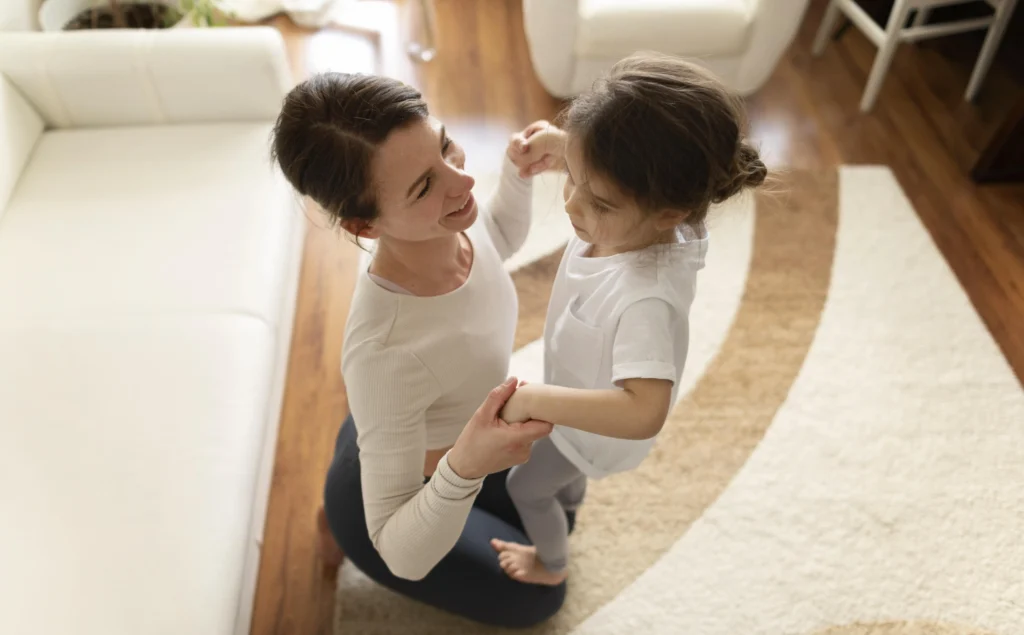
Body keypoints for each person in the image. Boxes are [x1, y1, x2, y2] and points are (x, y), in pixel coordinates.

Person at [269, 72, 571, 628]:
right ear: (364, 224)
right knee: (542, 598)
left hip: (418, 430)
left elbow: (496, 238)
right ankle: (331, 520)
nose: (463, 180)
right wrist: (468, 465)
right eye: (423, 186)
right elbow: (402, 554)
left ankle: (371, 456)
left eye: (446, 145)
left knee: (563, 513)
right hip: (385, 502)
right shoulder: (384, 351)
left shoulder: (447, 224)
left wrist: (519, 174)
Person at [492, 52, 768, 586]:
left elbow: (644, 411)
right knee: (566, 475)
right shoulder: (638, 223)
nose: (571, 206)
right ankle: (570, 498)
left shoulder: (646, 297)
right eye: (571, 177)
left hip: (591, 421)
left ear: (669, 213)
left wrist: (532, 399)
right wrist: (562, 146)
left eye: (597, 201)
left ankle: (552, 563)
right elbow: (598, 170)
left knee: (526, 487)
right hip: (577, 396)